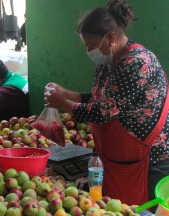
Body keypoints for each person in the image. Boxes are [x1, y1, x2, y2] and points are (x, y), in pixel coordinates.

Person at [44, 0, 169, 206]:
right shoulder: (108, 63)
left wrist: (63, 102)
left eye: (91, 45)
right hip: (119, 158)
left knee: (144, 210)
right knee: (116, 207)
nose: (89, 51)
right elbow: (99, 98)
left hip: (149, 161)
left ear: (110, 38)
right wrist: (65, 93)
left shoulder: (136, 63)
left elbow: (101, 112)